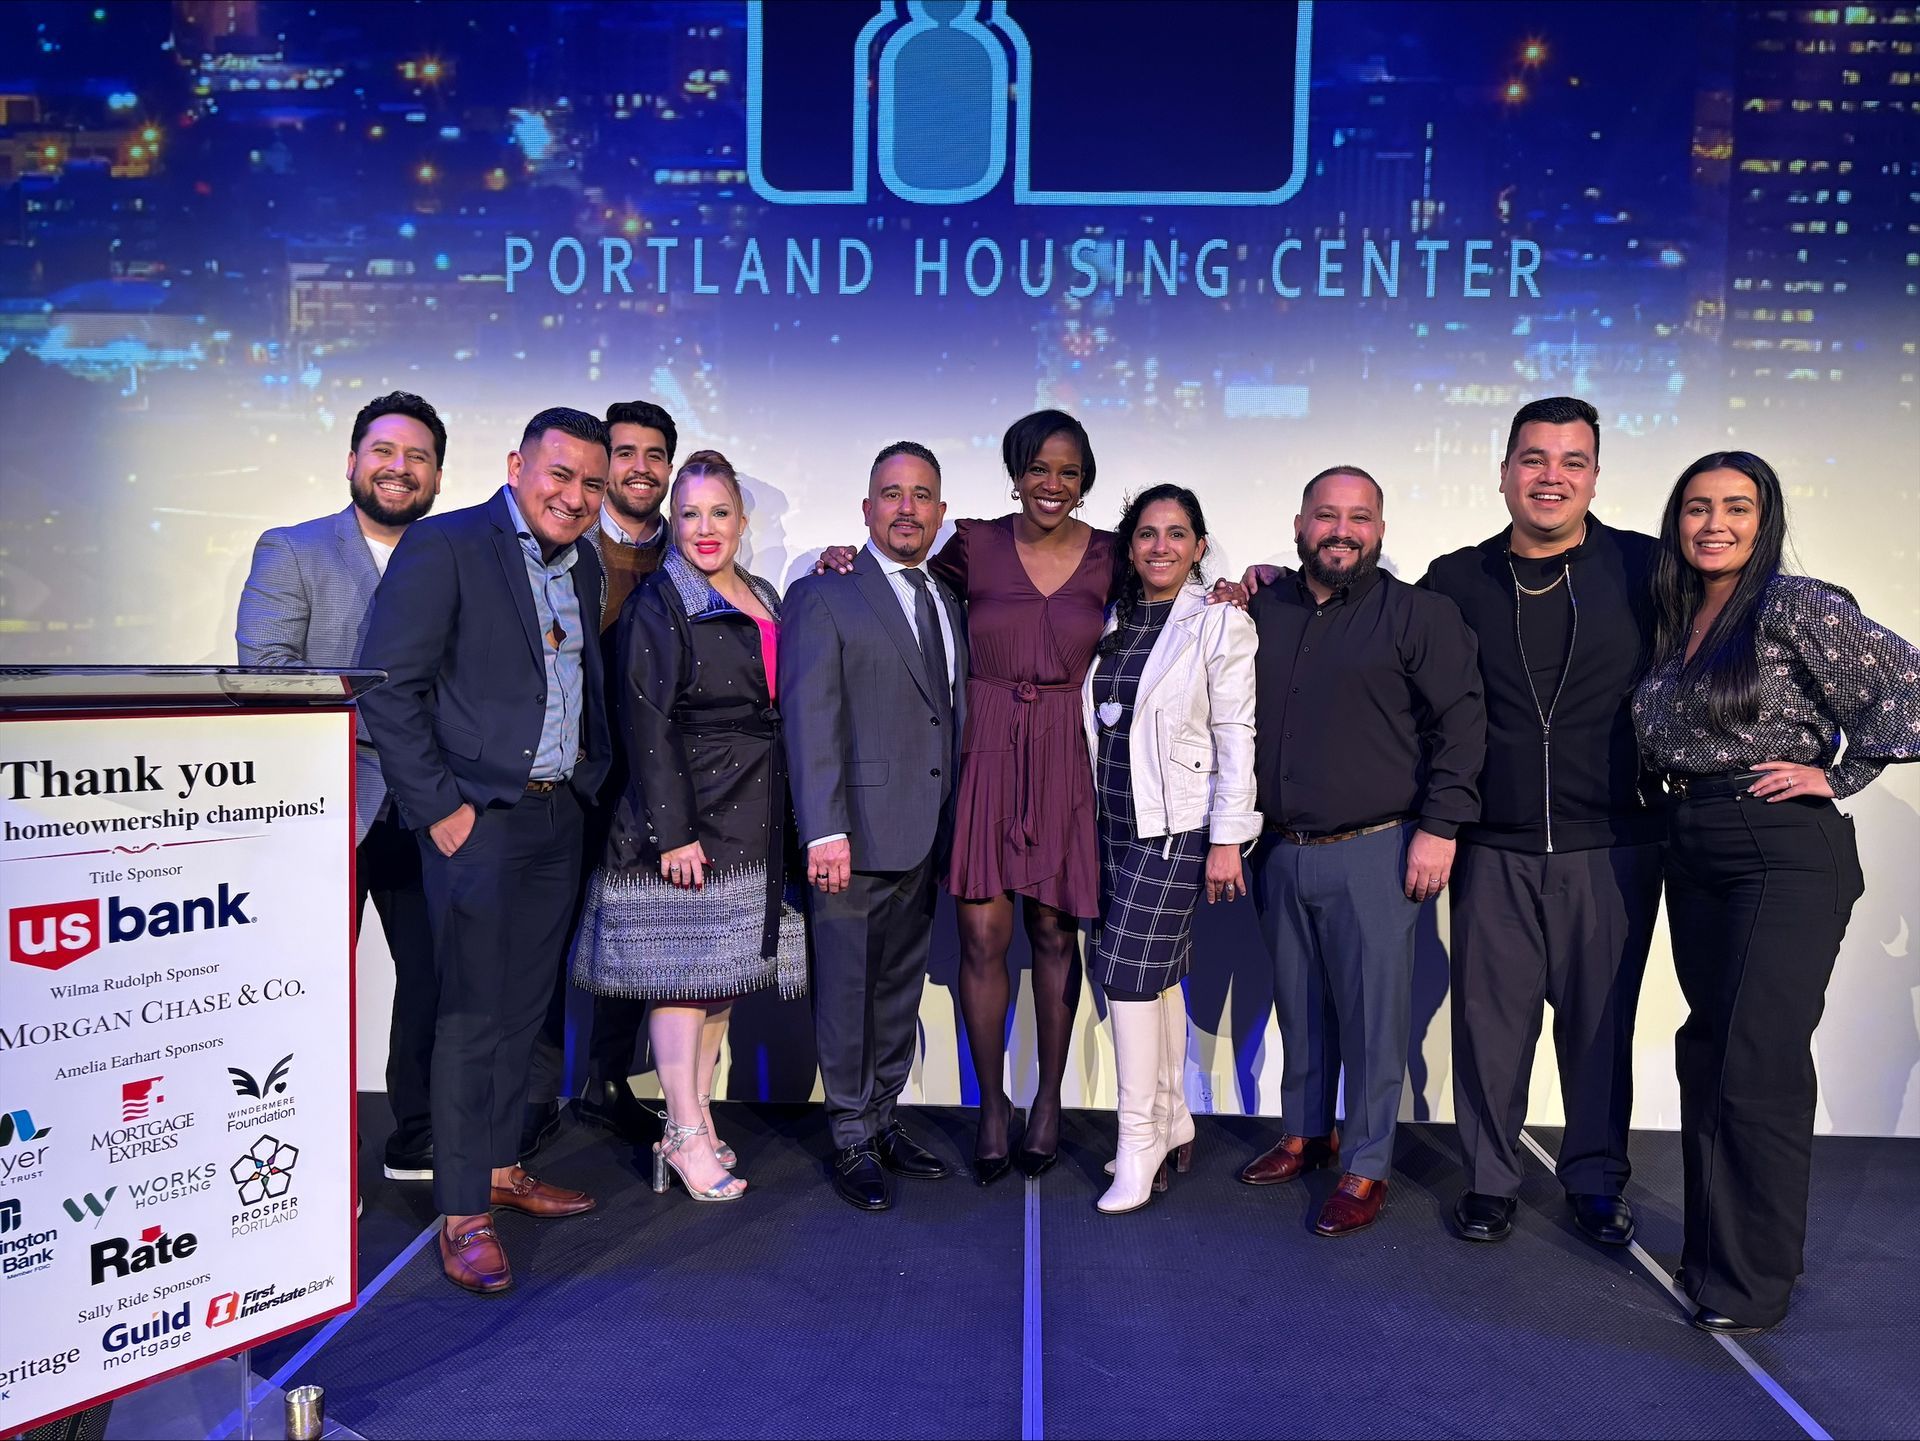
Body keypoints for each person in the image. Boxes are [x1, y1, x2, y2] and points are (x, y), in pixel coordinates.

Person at [1633, 451, 1919, 1335]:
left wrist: (1838, 775)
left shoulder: (1795, 603)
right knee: (1709, 1048)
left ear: (1767, 519)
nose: (1714, 523)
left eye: (1737, 507)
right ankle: (1716, 1254)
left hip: (1778, 850)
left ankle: (1754, 1284)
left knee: (1756, 1058)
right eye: (1696, 508)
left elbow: (1910, 690)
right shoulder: (1674, 616)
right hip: (1693, 845)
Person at [359, 406, 613, 1294]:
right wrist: (440, 811)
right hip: (476, 820)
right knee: (467, 1015)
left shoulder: (582, 563)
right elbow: (388, 689)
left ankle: (503, 1165)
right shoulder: (448, 544)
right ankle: (462, 1207)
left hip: (555, 817)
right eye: (560, 475)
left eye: (591, 481)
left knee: (522, 1008)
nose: (575, 496)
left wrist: (587, 781)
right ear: (516, 466)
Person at [1420, 397, 1663, 1248]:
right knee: (1489, 1029)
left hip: (1615, 843)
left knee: (1600, 1028)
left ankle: (1595, 1181)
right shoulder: (1455, 579)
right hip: (1492, 845)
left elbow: (1737, 621)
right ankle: (1490, 1180)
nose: (1551, 476)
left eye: (1571, 461)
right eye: (1534, 458)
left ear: (1595, 475)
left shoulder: (1645, 567)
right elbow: (1389, 653)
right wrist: (1264, 588)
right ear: (1503, 472)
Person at [1241, 466, 1485, 1236]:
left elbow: (1463, 724)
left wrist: (1442, 827)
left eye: (1360, 516)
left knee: (1376, 1015)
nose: (1341, 529)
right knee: (1299, 1004)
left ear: (1380, 529)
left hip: (1379, 849)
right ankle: (1305, 1133)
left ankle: (1366, 1163)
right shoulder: (1261, 608)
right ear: (1298, 524)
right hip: (1278, 849)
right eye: (1326, 515)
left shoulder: (1419, 614)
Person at [572, 450, 807, 1204]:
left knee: (721, 979)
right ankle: (680, 1132)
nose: (706, 528)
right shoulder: (659, 601)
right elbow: (647, 723)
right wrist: (673, 832)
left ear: (741, 520)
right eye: (691, 513)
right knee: (681, 978)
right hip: (687, 812)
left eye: (720, 513)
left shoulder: (762, 591)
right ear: (674, 521)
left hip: (753, 808)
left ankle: (697, 1116)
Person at [236, 391, 446, 1187]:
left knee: (431, 980)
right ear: (353, 460)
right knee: (312, 985)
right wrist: (383, 710)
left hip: (427, 804)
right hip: (327, 800)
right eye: (385, 451)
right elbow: (264, 675)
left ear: (436, 476)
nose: (399, 469)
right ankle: (315, 1162)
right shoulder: (293, 550)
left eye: (418, 458)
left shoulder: (450, 552)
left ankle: (417, 1131)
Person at [783, 441, 968, 1211]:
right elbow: (808, 714)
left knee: (896, 987)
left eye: (922, 495)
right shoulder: (824, 591)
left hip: (925, 832)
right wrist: (824, 828)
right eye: (891, 493)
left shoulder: (948, 597)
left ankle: (886, 1116)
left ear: (940, 512)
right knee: (848, 989)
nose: (906, 508)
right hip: (851, 835)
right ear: (866, 508)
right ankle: (851, 1131)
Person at [1079, 484, 1258, 1213]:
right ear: (1130, 546)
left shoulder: (1220, 623)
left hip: (1176, 826)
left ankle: (1137, 1140)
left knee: (1122, 976)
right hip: (1108, 822)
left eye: (1176, 533)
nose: (1161, 546)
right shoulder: (1112, 619)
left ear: (1199, 545)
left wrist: (1227, 839)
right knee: (1154, 977)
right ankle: (1174, 1111)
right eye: (1147, 534)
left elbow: (1236, 734)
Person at [524, 399, 680, 1152]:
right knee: (547, 939)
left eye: (655, 455)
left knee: (635, 940)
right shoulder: (562, 546)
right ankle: (533, 1092)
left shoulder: (690, 551)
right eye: (626, 453)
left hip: (651, 783)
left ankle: (608, 1080)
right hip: (571, 777)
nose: (640, 468)